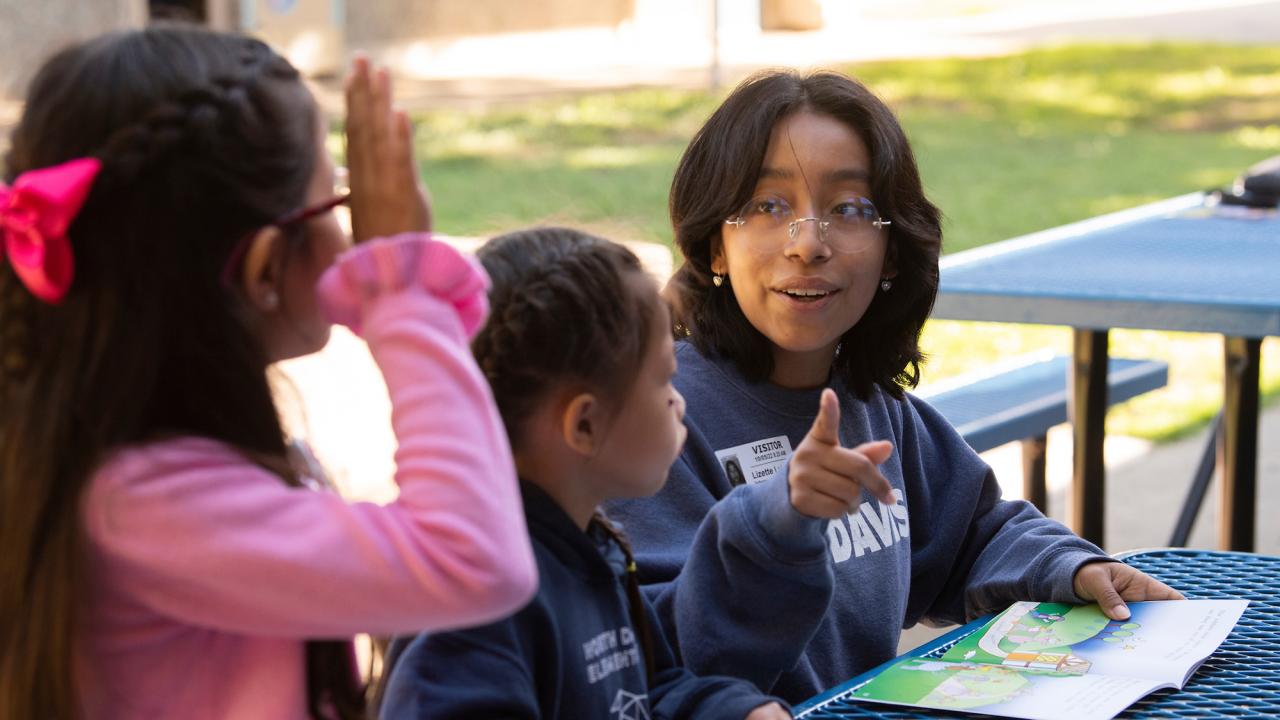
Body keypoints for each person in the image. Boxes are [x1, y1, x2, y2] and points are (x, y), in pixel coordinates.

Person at [0, 26, 537, 719]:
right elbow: (475, 558)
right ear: (262, 270)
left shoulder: (126, 468)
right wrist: (403, 291)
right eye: (337, 202)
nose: (353, 231)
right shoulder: (145, 506)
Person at [604, 70, 1182, 703]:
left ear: (893, 254)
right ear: (716, 244)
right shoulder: (659, 419)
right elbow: (641, 654)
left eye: (849, 210)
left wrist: (1074, 568)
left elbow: (974, 534)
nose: (808, 244)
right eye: (769, 206)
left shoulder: (876, 409)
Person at [377, 228, 790, 719]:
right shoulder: (476, 608)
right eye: (663, 380)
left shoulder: (591, 547)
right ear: (585, 424)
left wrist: (737, 711)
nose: (678, 401)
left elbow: (650, 692)